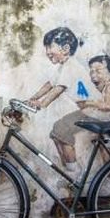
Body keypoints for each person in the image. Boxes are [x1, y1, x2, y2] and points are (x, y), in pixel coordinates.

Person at [27, 27, 93, 177]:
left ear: (65, 49)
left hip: (92, 110)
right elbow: (49, 85)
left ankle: (75, 173)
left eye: (50, 47)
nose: (47, 51)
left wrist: (42, 104)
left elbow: (58, 89)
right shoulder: (63, 67)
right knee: (56, 133)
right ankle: (68, 170)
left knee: (62, 131)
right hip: (86, 110)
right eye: (46, 48)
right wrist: (33, 98)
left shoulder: (71, 66)